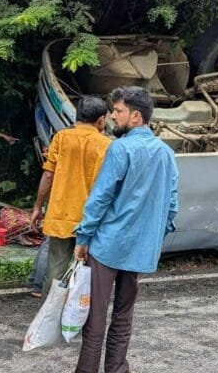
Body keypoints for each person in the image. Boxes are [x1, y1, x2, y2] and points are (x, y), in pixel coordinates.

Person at [73, 86, 178, 373]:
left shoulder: (120, 148)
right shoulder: (166, 153)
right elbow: (172, 205)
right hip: (139, 250)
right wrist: (153, 236)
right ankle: (117, 369)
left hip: (108, 246)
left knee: (95, 318)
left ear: (135, 116)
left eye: (118, 111)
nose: (112, 116)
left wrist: (83, 237)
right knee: (123, 316)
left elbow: (101, 198)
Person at [30, 96, 110, 298]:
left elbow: (48, 175)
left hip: (60, 215)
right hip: (90, 219)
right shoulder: (106, 144)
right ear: (101, 120)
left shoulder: (61, 137)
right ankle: (80, 311)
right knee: (87, 270)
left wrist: (38, 207)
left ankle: (48, 311)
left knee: (55, 269)